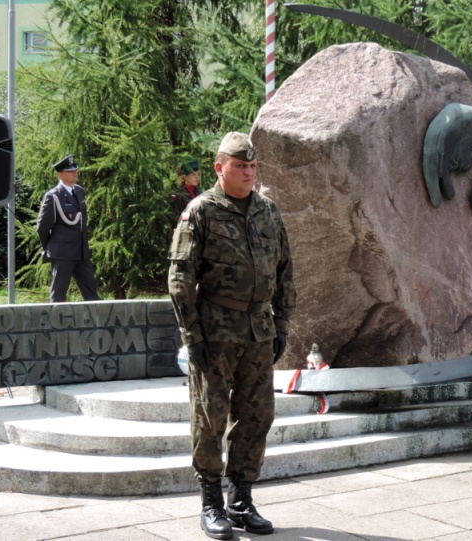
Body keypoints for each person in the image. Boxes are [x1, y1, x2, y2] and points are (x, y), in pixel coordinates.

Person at [168, 132, 296, 540]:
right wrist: (193, 336)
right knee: (211, 416)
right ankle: (211, 504)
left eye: (253, 166)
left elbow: (285, 272)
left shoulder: (268, 211)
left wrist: (281, 325)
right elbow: (180, 278)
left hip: (259, 331)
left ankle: (241, 499)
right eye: (241, 166)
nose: (249, 173)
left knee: (258, 415)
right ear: (220, 167)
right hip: (216, 332)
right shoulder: (200, 211)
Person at [37, 154, 101, 303]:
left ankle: (95, 325)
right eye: (70, 170)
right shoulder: (53, 196)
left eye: (75, 169)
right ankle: (55, 325)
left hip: (81, 252)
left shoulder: (78, 191)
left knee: (92, 295)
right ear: (60, 174)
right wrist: (51, 247)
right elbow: (42, 227)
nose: (75, 172)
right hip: (62, 252)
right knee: (58, 295)